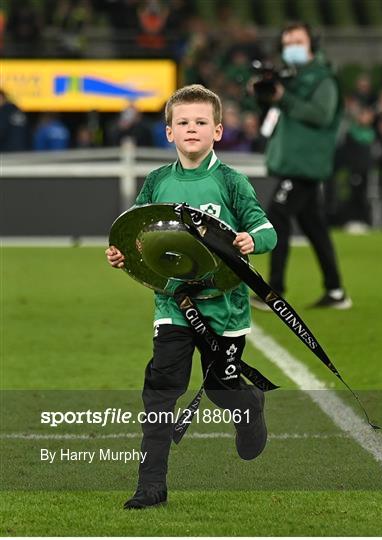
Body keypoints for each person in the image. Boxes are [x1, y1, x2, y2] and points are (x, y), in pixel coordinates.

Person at [106, 84, 277, 509]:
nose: (192, 129)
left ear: (218, 130)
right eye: (182, 122)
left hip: (224, 309)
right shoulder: (157, 181)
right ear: (169, 132)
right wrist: (121, 253)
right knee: (162, 389)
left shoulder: (231, 181)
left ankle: (249, 405)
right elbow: (136, 232)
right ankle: (151, 486)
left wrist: (249, 241)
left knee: (222, 390)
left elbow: (266, 229)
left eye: (201, 122)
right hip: (174, 307)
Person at [251, 22, 352, 310]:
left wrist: (285, 98)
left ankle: (274, 292)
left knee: (277, 216)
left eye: (298, 40)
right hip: (296, 164)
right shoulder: (291, 78)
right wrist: (264, 93)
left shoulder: (323, 80)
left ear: (312, 44)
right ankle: (335, 291)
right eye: (287, 42)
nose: (292, 47)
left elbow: (321, 115)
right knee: (314, 228)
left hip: (306, 165)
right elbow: (272, 112)